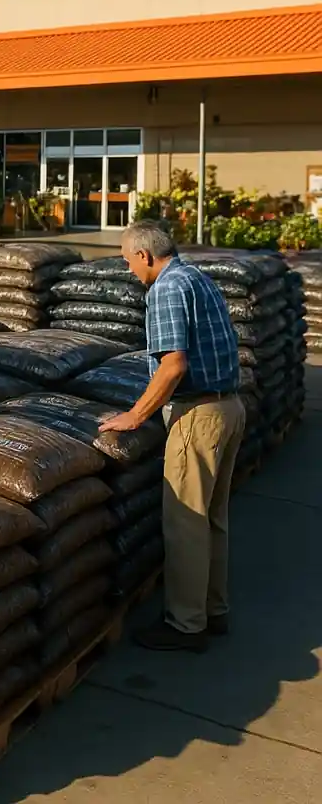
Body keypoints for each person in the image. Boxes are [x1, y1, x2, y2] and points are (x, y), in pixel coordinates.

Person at [100, 220, 244, 653]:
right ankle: (213, 610)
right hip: (229, 408)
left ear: (145, 256)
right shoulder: (196, 275)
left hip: (198, 416)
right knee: (211, 521)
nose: (129, 270)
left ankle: (186, 625)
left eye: (128, 261)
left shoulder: (164, 288)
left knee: (185, 524)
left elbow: (173, 365)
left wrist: (135, 416)